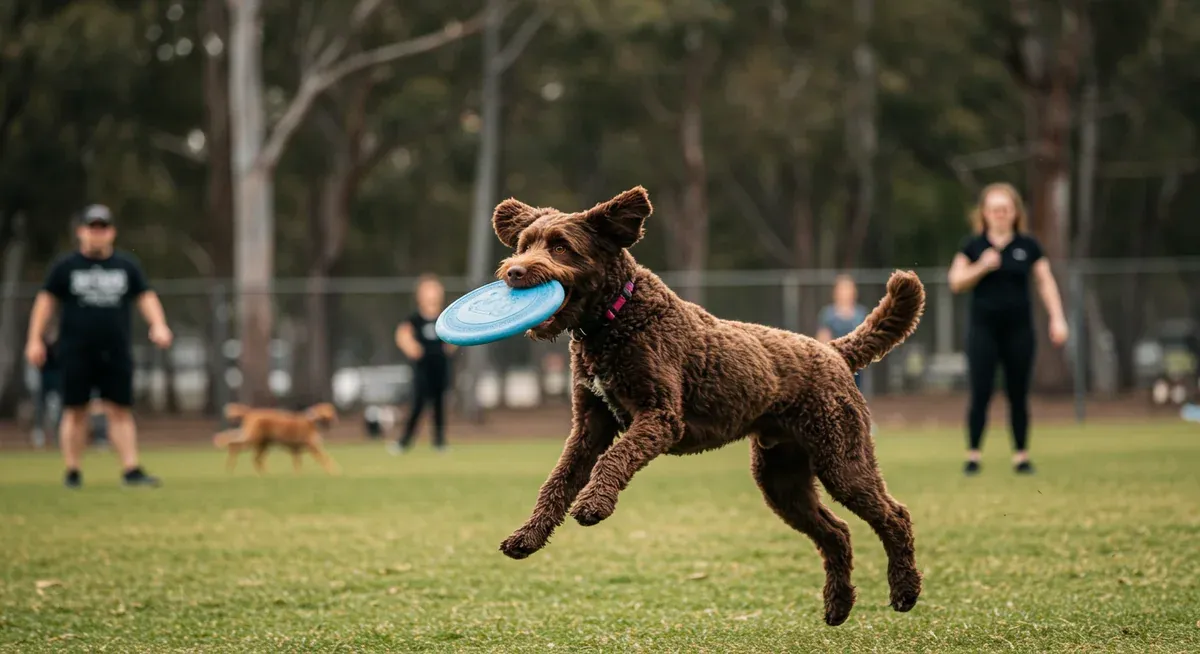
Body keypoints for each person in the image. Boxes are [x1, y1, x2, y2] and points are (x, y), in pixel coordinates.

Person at [24, 204, 174, 488]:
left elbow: (146, 296)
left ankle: (131, 470)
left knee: (120, 409)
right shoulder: (65, 267)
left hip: (115, 350)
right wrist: (34, 339)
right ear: (80, 232)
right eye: (91, 228)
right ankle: (72, 472)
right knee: (75, 409)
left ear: (112, 233)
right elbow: (45, 302)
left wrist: (159, 324)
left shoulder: (126, 266)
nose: (97, 234)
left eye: (102, 228)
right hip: (75, 350)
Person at [948, 183, 1068, 476]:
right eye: (994, 209)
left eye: (1005, 209)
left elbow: (1045, 282)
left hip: (1019, 330)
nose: (1000, 214)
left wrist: (1058, 318)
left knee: (1018, 393)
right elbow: (956, 281)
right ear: (985, 213)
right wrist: (982, 266)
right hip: (983, 330)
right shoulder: (973, 246)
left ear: (1014, 212)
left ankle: (1021, 456)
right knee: (981, 392)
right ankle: (973, 455)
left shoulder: (1028, 246)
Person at [389, 274, 456, 454]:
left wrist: (451, 346)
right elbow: (402, 334)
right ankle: (404, 441)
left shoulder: (446, 317)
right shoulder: (415, 318)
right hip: (422, 367)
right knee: (418, 404)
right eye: (427, 290)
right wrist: (411, 347)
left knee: (439, 404)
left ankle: (440, 441)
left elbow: (456, 335)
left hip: (441, 366)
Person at [816, 275, 869, 389]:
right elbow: (823, 339)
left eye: (848, 289)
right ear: (835, 292)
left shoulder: (861, 313)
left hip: (856, 365)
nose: (845, 293)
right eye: (842, 289)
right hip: (835, 364)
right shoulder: (828, 314)